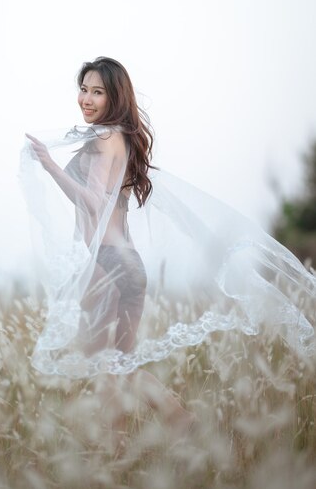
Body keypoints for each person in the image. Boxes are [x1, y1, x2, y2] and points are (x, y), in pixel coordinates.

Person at [19, 56, 315, 432]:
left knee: (102, 364)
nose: (87, 99)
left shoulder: (103, 140)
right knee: (119, 365)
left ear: (115, 98)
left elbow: (93, 203)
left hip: (106, 264)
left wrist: (50, 165)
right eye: (84, 89)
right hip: (130, 267)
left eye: (98, 92)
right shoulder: (122, 139)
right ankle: (181, 423)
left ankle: (120, 445)